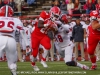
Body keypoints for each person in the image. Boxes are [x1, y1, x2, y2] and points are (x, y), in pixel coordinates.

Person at [0, 5, 29, 75]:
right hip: (11, 40)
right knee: (12, 62)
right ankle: (14, 73)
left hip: (0, 39)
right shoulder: (16, 20)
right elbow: (22, 31)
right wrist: (27, 44)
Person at [31, 6, 61, 71]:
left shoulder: (54, 23)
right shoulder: (44, 13)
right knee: (35, 53)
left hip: (43, 35)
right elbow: (39, 25)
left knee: (48, 46)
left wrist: (55, 29)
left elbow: (55, 33)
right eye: (55, 16)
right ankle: (33, 64)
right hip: (35, 35)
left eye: (57, 16)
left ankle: (43, 60)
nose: (56, 18)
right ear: (51, 13)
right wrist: (47, 25)